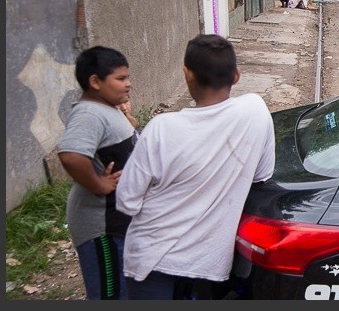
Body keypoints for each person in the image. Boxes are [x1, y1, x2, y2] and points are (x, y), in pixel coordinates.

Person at [116, 34, 275, 300]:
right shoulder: (256, 112)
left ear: (187, 74)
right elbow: (262, 175)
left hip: (151, 260)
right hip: (205, 264)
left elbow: (127, 202)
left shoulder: (161, 129)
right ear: (236, 75)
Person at [57, 46, 138, 300]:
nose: (128, 84)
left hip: (115, 222)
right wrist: (98, 185)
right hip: (100, 227)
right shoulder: (89, 113)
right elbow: (71, 154)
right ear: (95, 82)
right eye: (121, 78)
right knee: (109, 295)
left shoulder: (107, 109)